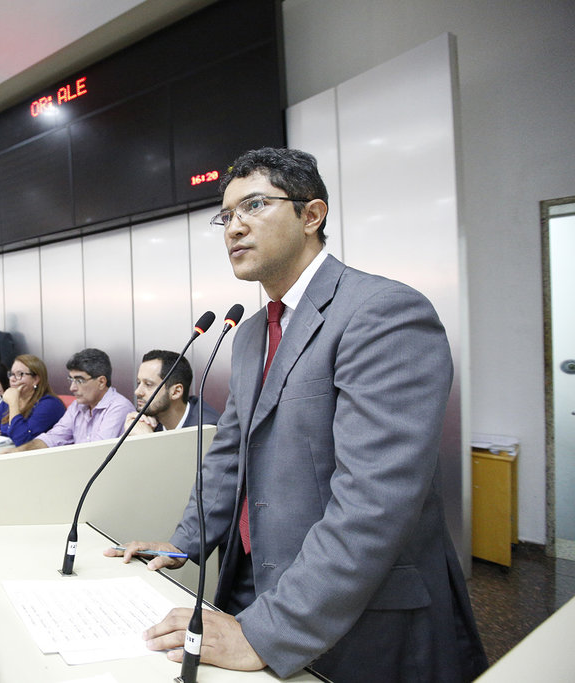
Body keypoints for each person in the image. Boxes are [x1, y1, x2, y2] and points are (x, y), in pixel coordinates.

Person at [107, 148, 487, 681]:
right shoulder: (252, 335)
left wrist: (269, 630)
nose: (234, 227)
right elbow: (228, 457)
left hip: (353, 613)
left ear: (312, 215)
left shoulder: (382, 312)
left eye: (254, 205)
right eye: (226, 215)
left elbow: (373, 501)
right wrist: (186, 540)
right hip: (253, 588)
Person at [15, 348, 133, 451]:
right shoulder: (78, 406)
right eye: (71, 380)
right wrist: (18, 452)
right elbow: (52, 438)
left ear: (101, 382)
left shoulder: (119, 408)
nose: (72, 388)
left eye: (79, 380)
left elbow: (97, 454)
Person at [123, 349, 220, 434]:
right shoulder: (147, 422)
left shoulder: (208, 429)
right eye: (139, 383)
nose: (137, 392)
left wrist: (147, 439)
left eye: (148, 384)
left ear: (176, 392)